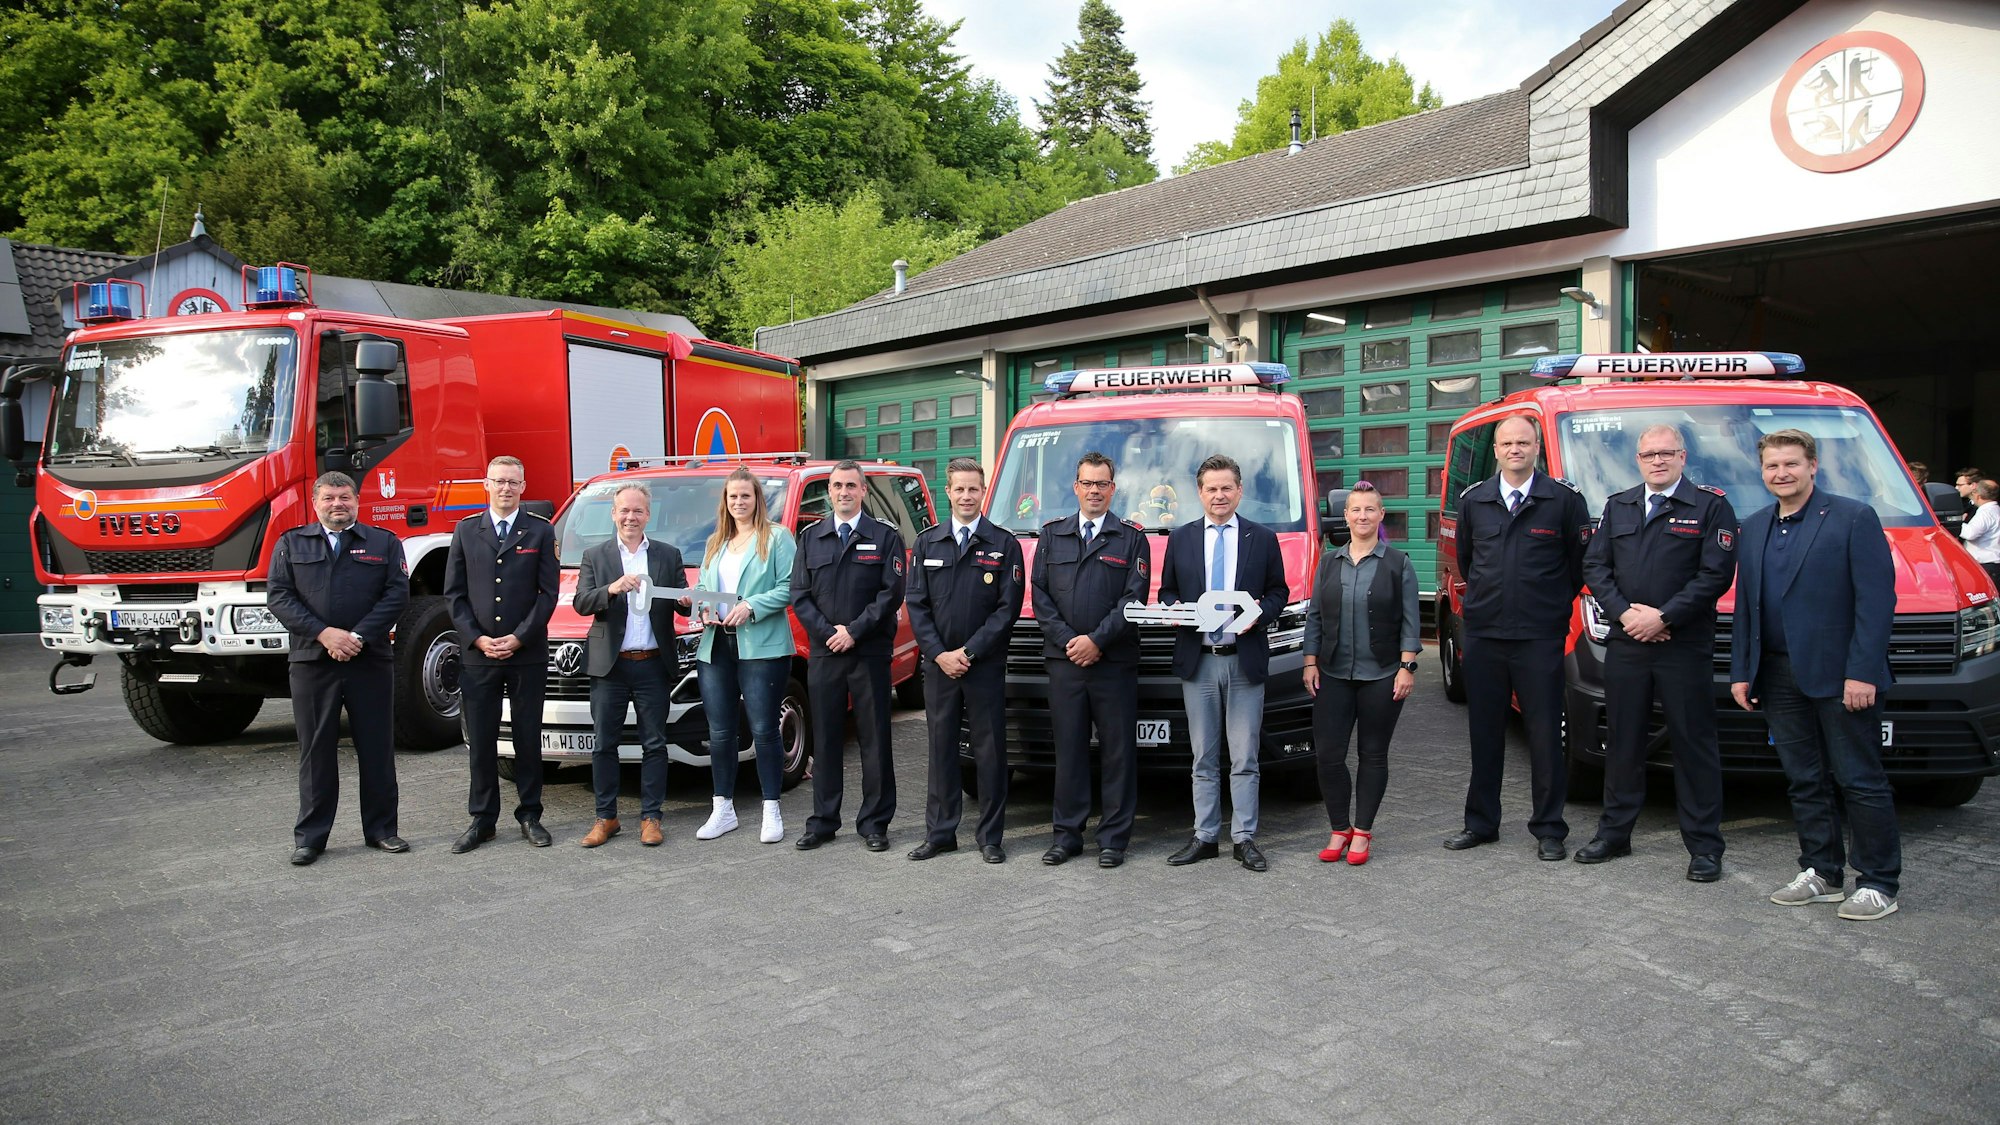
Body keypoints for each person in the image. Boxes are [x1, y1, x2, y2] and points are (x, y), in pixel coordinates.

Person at [1730, 428, 1902, 920]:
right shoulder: (1755, 526)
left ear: (1812, 466)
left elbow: (1876, 601)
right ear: (1762, 472)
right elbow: (1747, 606)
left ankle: (1878, 882)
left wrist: (1862, 672)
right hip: (1777, 675)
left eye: (1791, 463)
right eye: (1772, 465)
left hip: (1842, 676)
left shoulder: (1852, 517)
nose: (1781, 473)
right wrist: (1743, 670)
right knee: (1804, 779)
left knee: (1859, 780)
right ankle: (1822, 872)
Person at [1576, 425, 1737, 881]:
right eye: (1649, 454)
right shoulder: (1619, 505)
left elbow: (1715, 575)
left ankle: (1704, 847)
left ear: (1683, 457)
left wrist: (1664, 617)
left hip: (1682, 645)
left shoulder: (1710, 507)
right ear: (1639, 459)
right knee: (1623, 740)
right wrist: (1626, 614)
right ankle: (1614, 834)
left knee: (1693, 743)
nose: (1658, 461)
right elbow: (1595, 566)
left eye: (1666, 453)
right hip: (1628, 642)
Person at [1445, 415, 1590, 861]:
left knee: (1544, 735)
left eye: (1523, 442)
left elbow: (1578, 566)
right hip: (1485, 635)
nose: (1515, 449)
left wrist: (1546, 607)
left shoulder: (1563, 500)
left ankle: (1549, 829)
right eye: (1507, 443)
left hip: (1539, 637)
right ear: (1496, 450)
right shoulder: (1475, 500)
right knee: (1485, 733)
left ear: (1536, 447)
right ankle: (1481, 823)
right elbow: (1468, 561)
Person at [266, 471, 410, 865]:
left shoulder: (383, 542)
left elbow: (396, 595)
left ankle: (382, 830)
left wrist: (357, 636)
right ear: (315, 503)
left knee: (377, 748)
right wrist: (324, 634)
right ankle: (310, 838)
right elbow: (279, 597)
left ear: (357, 501)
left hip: (369, 660)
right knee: (316, 752)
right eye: (329, 498)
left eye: (344, 497)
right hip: (313, 662)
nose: (337, 504)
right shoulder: (291, 543)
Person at [1158, 454, 1288, 872]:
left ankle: (1244, 838)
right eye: (1211, 488)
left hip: (1243, 660)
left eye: (1226, 487)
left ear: (1239, 490)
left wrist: (1258, 615)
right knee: (1204, 756)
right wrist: (1174, 609)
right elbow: (1166, 591)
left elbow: (1279, 593)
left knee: (1245, 756)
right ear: (1199, 493)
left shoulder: (1262, 538)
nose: (1219, 495)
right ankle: (1205, 836)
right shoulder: (1181, 538)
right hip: (1199, 663)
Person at [1033, 452, 1150, 868]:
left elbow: (1133, 599)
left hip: (1113, 663)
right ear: (1076, 487)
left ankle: (1113, 840)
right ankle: (1066, 837)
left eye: (1102, 484)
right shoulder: (1052, 535)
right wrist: (1071, 641)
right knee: (1069, 751)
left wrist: (1097, 641)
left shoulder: (1131, 538)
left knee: (1118, 753)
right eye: (1088, 483)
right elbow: (1040, 595)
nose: (1094, 490)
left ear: (1113, 489)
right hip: (1065, 662)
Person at [905, 457, 1024, 864]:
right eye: (959, 488)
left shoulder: (1003, 544)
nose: (967, 495)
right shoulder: (928, 542)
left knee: (989, 752)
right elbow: (916, 605)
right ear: (948, 492)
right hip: (940, 667)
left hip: (983, 666)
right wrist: (940, 654)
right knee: (941, 750)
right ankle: (940, 834)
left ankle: (990, 837)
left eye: (973, 488)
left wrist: (969, 652)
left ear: (983, 491)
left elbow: (1007, 610)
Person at [443, 455, 559, 853]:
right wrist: (476, 639)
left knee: (527, 736)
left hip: (526, 654)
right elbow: (454, 595)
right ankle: (482, 819)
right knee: (481, 739)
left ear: (523, 487)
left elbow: (548, 595)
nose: (505, 488)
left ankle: (530, 814)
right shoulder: (466, 530)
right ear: (486, 485)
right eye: (499, 481)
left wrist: (519, 637)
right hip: (479, 655)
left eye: (512, 482)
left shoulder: (540, 531)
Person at [1301, 483, 1419, 866]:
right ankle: (1340, 828)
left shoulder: (1398, 563)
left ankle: (1363, 831)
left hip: (1382, 675)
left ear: (1381, 515)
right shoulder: (1328, 562)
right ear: (1346, 516)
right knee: (1328, 756)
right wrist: (1309, 662)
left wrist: (1406, 667)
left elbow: (1410, 621)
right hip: (1333, 674)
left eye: (1370, 509)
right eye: (1356, 510)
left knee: (1373, 754)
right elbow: (1315, 617)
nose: (1363, 516)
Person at [791, 461, 906, 852]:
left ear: (863, 491)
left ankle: (875, 823)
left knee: (875, 739)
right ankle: (823, 822)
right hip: (826, 653)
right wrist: (829, 634)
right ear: (829, 491)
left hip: (868, 651)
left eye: (851, 486)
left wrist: (854, 631)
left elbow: (891, 593)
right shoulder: (811, 537)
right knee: (825, 739)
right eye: (837, 485)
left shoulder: (885, 536)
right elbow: (799, 595)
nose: (844, 492)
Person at [572, 483, 687, 848]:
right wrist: (611, 589)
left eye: (638, 511)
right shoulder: (595, 555)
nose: (630, 517)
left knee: (654, 744)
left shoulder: (668, 554)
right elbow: (581, 602)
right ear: (613, 514)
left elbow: (682, 600)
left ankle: (651, 817)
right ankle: (606, 817)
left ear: (648, 515)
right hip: (611, 667)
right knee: (604, 744)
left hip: (653, 664)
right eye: (624, 510)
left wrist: (686, 601)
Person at [693, 467, 797, 844]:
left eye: (745, 496)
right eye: (733, 496)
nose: (739, 502)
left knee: (764, 729)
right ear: (725, 501)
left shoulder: (777, 538)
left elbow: (791, 586)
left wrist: (752, 605)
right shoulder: (715, 542)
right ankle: (723, 809)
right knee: (720, 732)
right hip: (716, 645)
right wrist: (702, 606)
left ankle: (771, 810)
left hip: (762, 647)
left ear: (757, 500)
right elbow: (703, 586)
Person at [1958, 478, 2000, 588]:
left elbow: (1970, 534)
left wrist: (1958, 523)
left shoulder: (1985, 513)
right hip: (1993, 563)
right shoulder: (1996, 510)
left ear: (1978, 496)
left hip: (1985, 565)